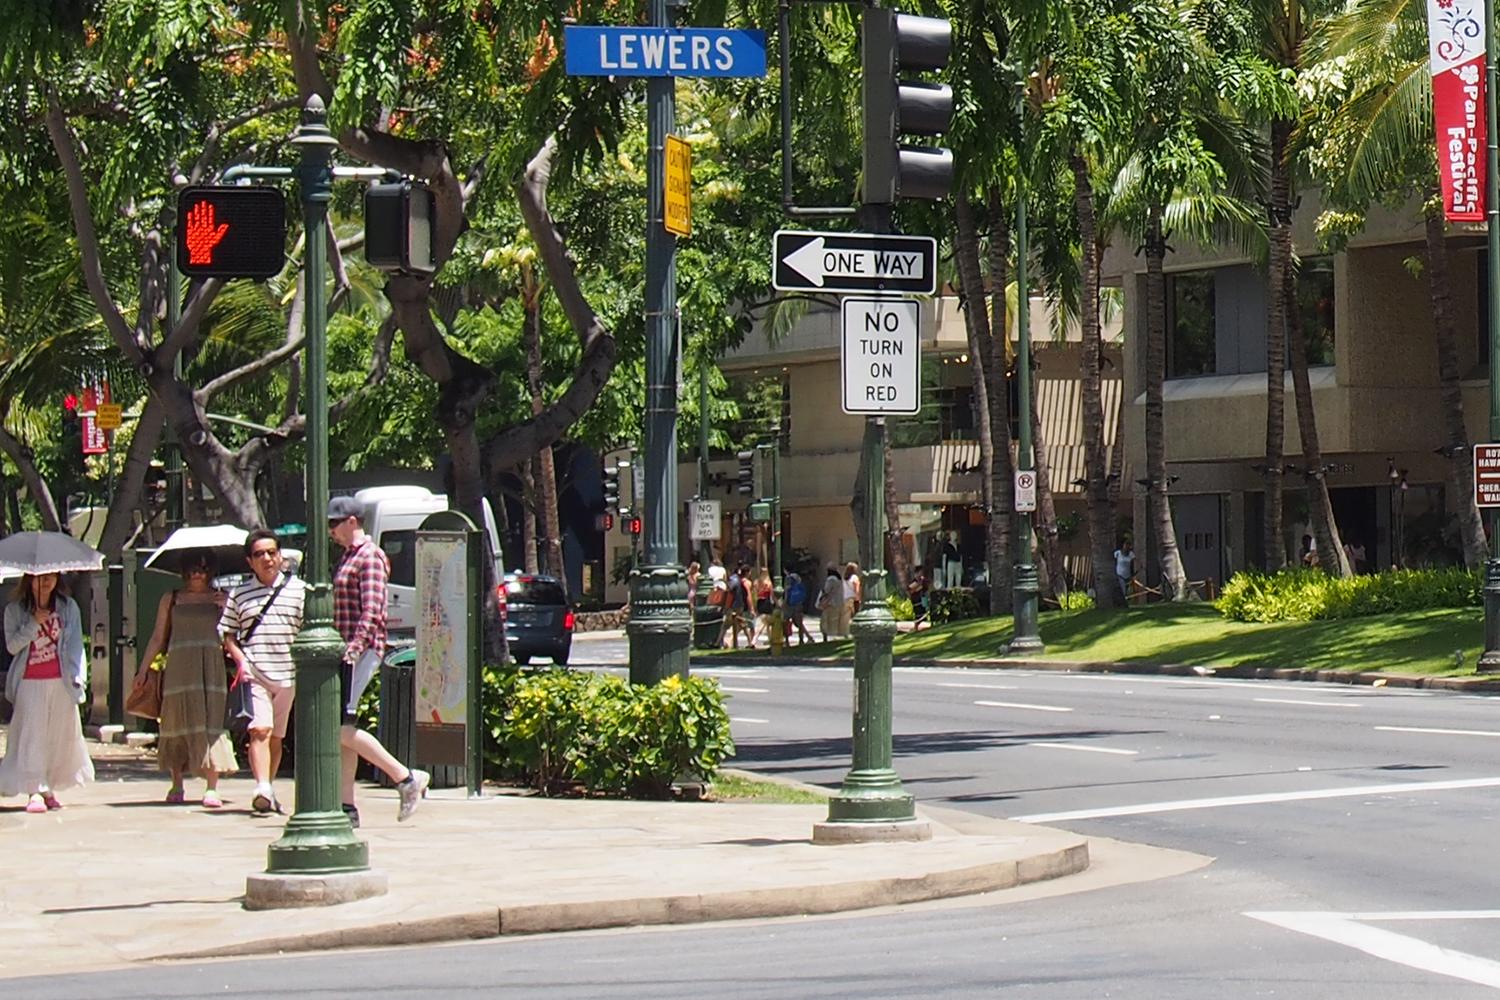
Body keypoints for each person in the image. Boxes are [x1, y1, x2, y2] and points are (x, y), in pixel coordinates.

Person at [328, 495, 430, 827]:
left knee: (339, 726)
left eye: (335, 523)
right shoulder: (348, 556)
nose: (331, 530)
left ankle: (405, 777)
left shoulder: (369, 557)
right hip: (348, 650)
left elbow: (373, 610)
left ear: (352, 521)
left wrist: (353, 650)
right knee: (343, 728)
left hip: (359, 651)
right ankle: (347, 806)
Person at [135, 553, 238, 807]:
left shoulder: (221, 599)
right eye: (192, 568)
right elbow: (158, 637)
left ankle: (211, 786)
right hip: (179, 669)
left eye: (203, 568)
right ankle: (177, 783)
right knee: (176, 721)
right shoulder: (172, 599)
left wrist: (227, 607)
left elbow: (234, 634)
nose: (197, 573)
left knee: (210, 721)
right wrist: (143, 670)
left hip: (210, 668)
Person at [220, 529, 306, 816]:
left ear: (280, 556)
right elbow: (227, 633)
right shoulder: (240, 593)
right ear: (250, 561)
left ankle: (268, 787)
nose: (267, 559)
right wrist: (241, 661)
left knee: (276, 737)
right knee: (259, 729)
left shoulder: (299, 590)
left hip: (288, 674)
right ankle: (262, 788)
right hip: (255, 670)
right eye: (259, 554)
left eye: (271, 552)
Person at [0, 573, 93, 812]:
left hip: (60, 679)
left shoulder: (67, 607)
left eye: (50, 577)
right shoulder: (15, 610)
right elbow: (12, 646)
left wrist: (77, 677)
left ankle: (47, 786)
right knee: (33, 735)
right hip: (29, 680)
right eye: (39, 578)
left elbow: (74, 644)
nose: (45, 582)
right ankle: (34, 790)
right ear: (29, 580)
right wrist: (33, 623)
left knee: (57, 737)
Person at [718, 563, 754, 649]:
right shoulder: (743, 582)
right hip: (738, 605)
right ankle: (749, 642)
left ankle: (719, 642)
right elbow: (748, 596)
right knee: (740, 624)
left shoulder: (734, 580)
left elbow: (729, 592)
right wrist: (751, 608)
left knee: (728, 625)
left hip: (733, 606)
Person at [784, 572, 813, 644]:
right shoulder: (800, 586)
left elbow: (786, 597)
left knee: (787, 623)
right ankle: (801, 640)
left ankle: (787, 641)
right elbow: (804, 595)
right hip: (798, 605)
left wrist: (784, 604)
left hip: (789, 606)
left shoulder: (789, 587)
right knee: (800, 624)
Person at [817, 566, 843, 640]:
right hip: (837, 602)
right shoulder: (839, 580)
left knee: (825, 620)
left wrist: (821, 596)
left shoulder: (830, 579)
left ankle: (825, 637)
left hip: (829, 603)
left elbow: (827, 590)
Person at [750, 568, 774, 646]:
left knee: (765, 623)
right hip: (766, 603)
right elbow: (772, 595)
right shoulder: (768, 583)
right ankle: (754, 640)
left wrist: (754, 606)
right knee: (765, 623)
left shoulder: (756, 583)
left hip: (759, 602)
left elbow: (754, 594)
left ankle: (770, 639)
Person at [842, 561, 862, 636]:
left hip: (846, 598)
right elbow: (856, 589)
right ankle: (855, 631)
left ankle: (846, 632)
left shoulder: (845, 578)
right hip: (853, 599)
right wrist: (858, 598)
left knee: (847, 617)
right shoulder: (854, 578)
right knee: (855, 616)